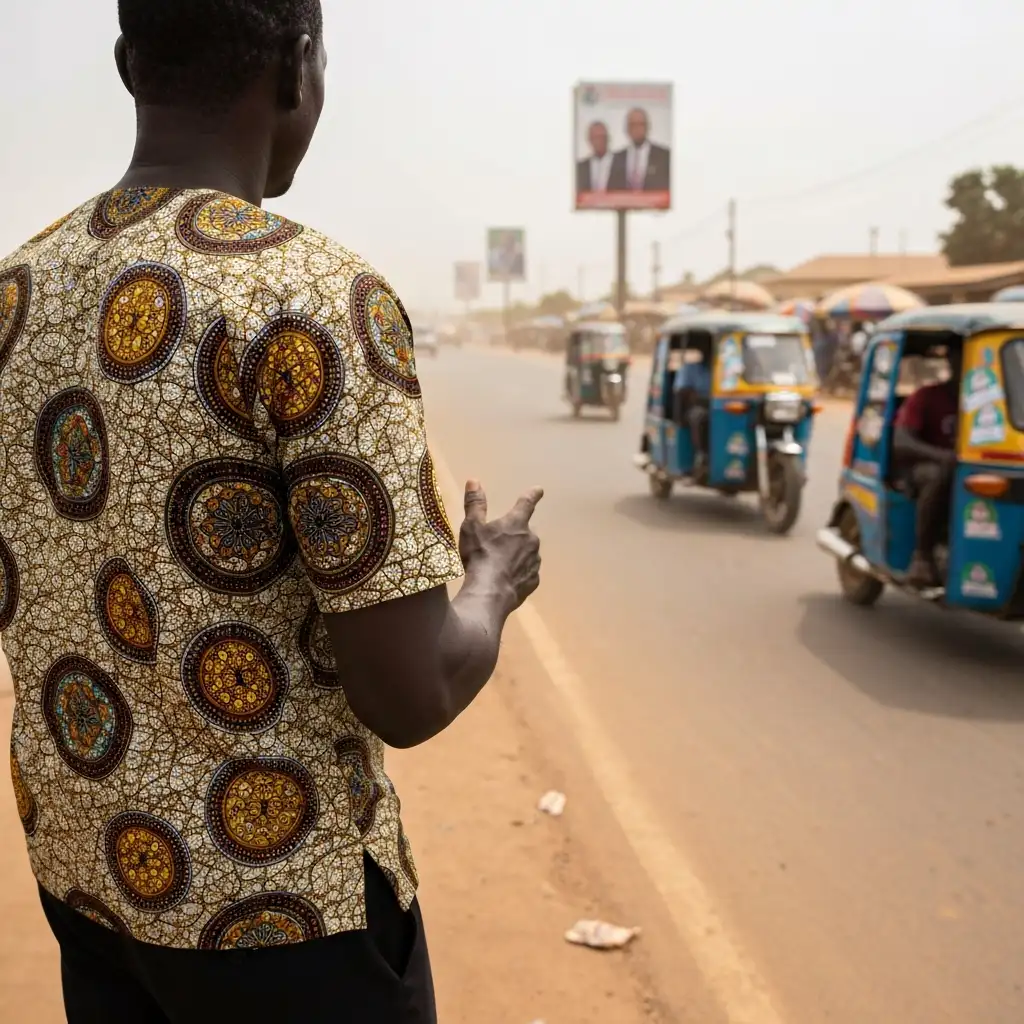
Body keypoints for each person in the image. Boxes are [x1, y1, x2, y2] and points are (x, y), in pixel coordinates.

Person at [0, 2, 542, 1022]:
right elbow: (413, 687)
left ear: (128, 64)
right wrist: (489, 584)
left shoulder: (16, 293)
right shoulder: (311, 295)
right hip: (286, 915)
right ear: (299, 68)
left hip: (91, 878)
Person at [893, 347, 962, 587]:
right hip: (924, 468)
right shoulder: (926, 396)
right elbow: (901, 441)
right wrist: (941, 456)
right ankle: (922, 555)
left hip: (969, 467)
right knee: (939, 474)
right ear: (953, 362)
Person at [673, 336, 713, 475]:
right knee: (699, 416)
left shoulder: (730, 370)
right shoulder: (690, 369)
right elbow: (682, 391)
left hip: (721, 408)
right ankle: (702, 455)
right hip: (698, 406)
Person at [609, 108, 671, 192]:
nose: (636, 129)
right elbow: (612, 189)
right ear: (627, 129)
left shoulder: (664, 156)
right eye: (632, 125)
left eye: (640, 124)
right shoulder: (617, 158)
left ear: (648, 127)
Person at [576, 120, 612, 193]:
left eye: (602, 137)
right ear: (589, 140)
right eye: (596, 137)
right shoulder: (580, 168)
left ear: (608, 139)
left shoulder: (621, 164)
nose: (600, 141)